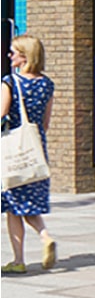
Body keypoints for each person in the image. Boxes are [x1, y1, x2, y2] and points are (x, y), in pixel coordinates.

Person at [2, 35, 58, 274]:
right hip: (36, 149)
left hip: (14, 152)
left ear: (24, 57)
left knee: (13, 206)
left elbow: (1, 113)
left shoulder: (10, 82)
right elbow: (45, 123)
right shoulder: (47, 84)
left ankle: (19, 260)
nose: (9, 55)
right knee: (28, 204)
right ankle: (45, 236)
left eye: (13, 52)